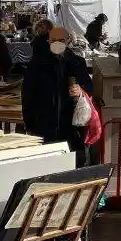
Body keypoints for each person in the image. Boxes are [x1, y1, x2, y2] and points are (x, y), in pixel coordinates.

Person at [22, 26, 94, 161]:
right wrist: (29, 123)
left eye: (61, 40)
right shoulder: (36, 64)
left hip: (71, 123)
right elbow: (27, 95)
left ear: (68, 41)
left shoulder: (77, 62)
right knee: (47, 162)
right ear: (48, 41)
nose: (57, 44)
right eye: (53, 40)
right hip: (44, 122)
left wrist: (80, 90)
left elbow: (89, 86)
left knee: (72, 161)